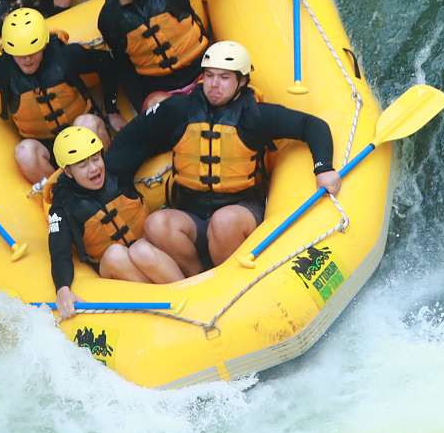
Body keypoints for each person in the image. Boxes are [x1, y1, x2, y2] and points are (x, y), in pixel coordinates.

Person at [103, 41, 337, 274]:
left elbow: (311, 125)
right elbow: (131, 137)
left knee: (223, 221)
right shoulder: (178, 110)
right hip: (191, 212)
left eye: (224, 78)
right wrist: (113, 183)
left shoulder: (256, 115)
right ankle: (198, 276)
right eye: (209, 75)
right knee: (156, 224)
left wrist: (323, 168)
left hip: (240, 209)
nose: (214, 84)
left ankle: (232, 278)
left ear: (242, 81)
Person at [95, 0, 305, 110]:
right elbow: (124, 69)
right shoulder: (110, 18)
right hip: (162, 90)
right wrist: (130, 109)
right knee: (155, 105)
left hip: (204, 72)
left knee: (236, 103)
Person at [0, 7, 120, 183]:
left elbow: (106, 62)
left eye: (32, 52)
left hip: (82, 134)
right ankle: (62, 192)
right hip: (46, 148)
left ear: (43, 45)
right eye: (20, 54)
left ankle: (111, 178)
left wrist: (112, 111)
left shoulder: (66, 55)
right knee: (24, 152)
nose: (27, 59)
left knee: (88, 123)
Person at [45, 125, 183, 320]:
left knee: (142, 250)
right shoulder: (62, 204)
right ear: (68, 172)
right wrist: (62, 288)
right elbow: (59, 250)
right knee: (115, 255)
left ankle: (185, 292)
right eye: (83, 165)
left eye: (95, 159)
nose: (94, 168)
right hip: (114, 266)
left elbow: (145, 139)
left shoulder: (117, 168)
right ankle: (163, 305)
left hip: (147, 249)